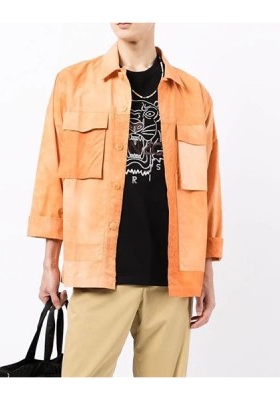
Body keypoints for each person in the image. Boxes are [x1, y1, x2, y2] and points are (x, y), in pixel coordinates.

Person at [27, 23, 224, 377]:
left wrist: (205, 271)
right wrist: (49, 264)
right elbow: (50, 178)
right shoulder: (73, 85)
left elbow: (207, 191)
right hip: (97, 276)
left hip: (172, 283)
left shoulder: (195, 95)